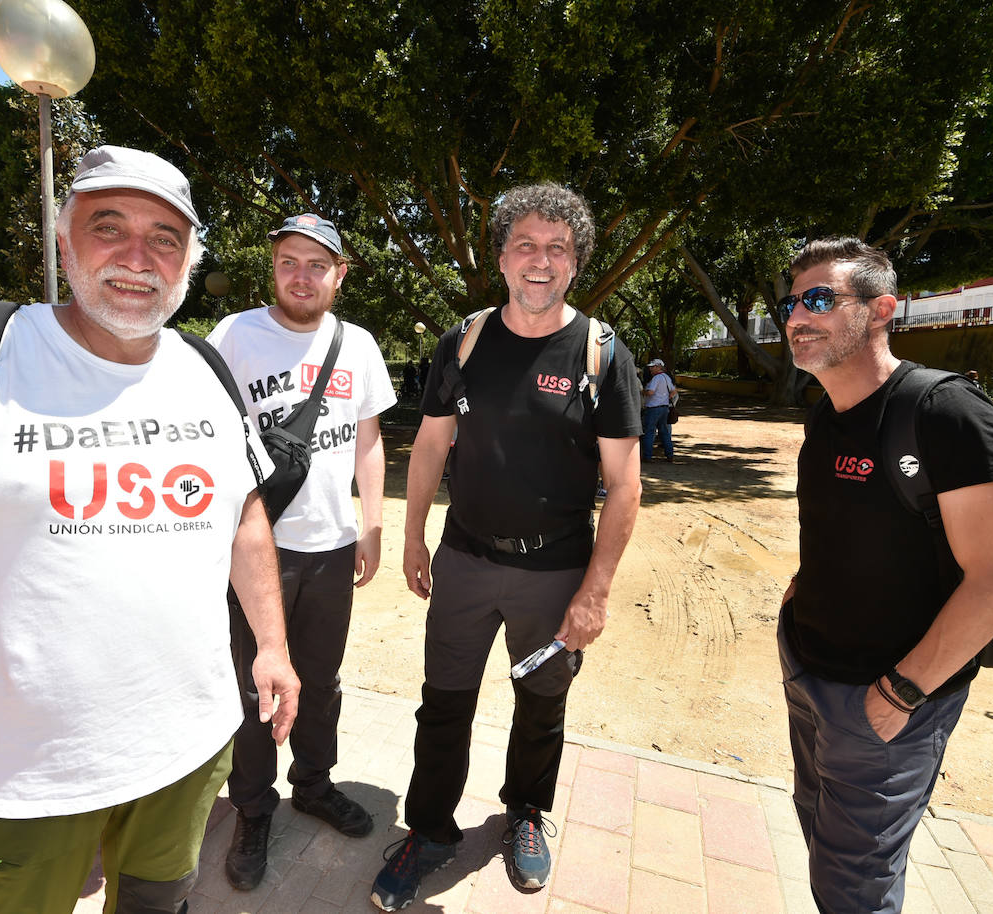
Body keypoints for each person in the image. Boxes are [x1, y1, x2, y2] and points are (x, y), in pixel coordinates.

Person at [0, 145, 300, 914]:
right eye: (109, 226)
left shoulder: (205, 368)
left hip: (186, 752)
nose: (138, 256)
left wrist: (271, 643)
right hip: (10, 776)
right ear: (64, 242)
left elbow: (242, 517)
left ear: (187, 261)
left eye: (166, 237)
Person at [370, 184, 642, 911]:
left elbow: (624, 485)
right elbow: (430, 445)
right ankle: (427, 832)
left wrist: (597, 589)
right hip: (464, 560)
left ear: (576, 263)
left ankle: (526, 813)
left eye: (558, 247)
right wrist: (414, 536)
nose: (541, 259)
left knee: (541, 704)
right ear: (500, 256)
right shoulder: (462, 340)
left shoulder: (602, 352)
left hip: (554, 572)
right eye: (525, 244)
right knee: (444, 704)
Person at [777, 237, 993, 914]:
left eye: (822, 298)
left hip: (891, 699)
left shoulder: (948, 415)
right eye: (793, 301)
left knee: (854, 885)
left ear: (882, 309)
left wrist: (902, 691)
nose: (798, 314)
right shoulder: (825, 411)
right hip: (809, 668)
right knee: (821, 831)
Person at [208, 213, 397, 890]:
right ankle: (252, 809)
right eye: (290, 261)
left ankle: (313, 785)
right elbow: (205, 434)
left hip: (331, 548)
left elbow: (368, 439)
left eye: (318, 265)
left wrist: (371, 524)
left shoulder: (359, 345)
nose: (302, 275)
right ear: (274, 266)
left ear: (339, 275)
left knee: (320, 681)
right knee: (256, 684)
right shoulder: (235, 335)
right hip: (256, 548)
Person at [641, 357, 677, 461]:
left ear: (658, 367)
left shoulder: (656, 378)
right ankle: (669, 454)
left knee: (649, 431)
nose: (651, 369)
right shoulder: (666, 377)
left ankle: (647, 456)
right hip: (664, 408)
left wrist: (643, 392)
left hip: (653, 408)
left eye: (652, 367)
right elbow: (674, 391)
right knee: (664, 432)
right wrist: (665, 397)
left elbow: (651, 392)